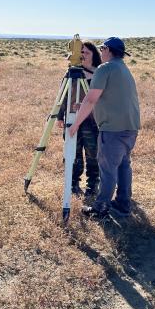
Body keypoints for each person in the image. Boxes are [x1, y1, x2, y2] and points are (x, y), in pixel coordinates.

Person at [69, 37, 140, 218]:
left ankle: (101, 207)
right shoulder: (123, 68)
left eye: (102, 48)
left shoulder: (104, 68)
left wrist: (75, 124)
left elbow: (91, 99)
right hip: (130, 127)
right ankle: (123, 205)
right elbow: (106, 97)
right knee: (123, 166)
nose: (101, 51)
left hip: (113, 128)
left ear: (108, 50)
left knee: (107, 169)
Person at [57, 41, 102, 197]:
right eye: (81, 52)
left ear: (94, 55)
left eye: (86, 52)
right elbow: (63, 95)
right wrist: (59, 116)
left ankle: (92, 185)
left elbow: (101, 99)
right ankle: (73, 182)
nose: (83, 55)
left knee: (93, 155)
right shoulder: (71, 73)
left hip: (91, 121)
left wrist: (83, 105)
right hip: (71, 118)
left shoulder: (99, 74)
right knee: (72, 153)